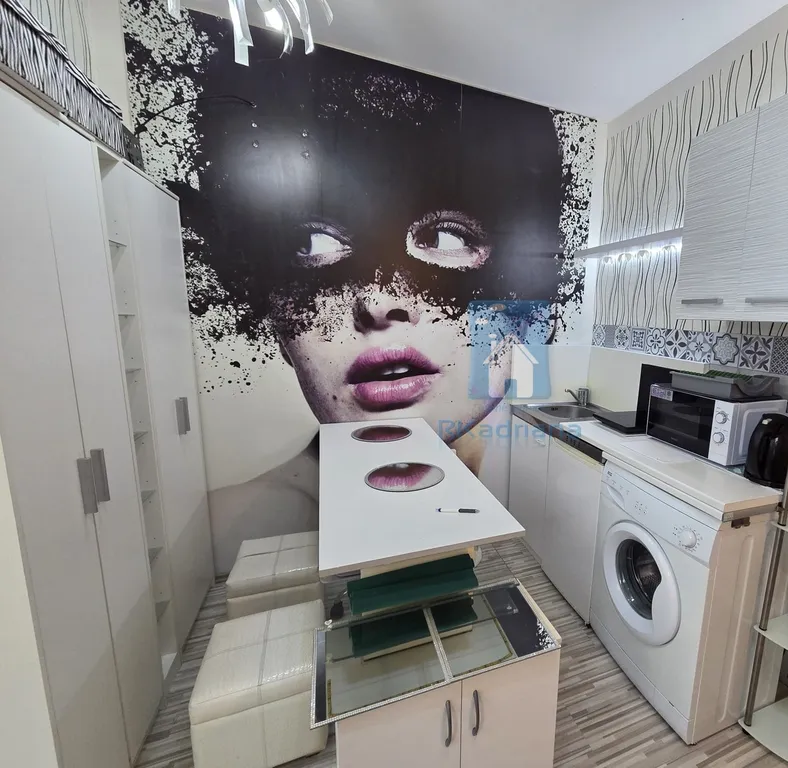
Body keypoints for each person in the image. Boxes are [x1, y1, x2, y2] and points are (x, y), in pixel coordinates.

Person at [167, 17, 583, 571]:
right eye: (312, 243)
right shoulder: (241, 524)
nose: (379, 301)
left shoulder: (496, 492)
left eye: (446, 238)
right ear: (265, 299)